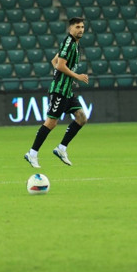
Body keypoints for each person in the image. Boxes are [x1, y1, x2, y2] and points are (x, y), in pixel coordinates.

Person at [24, 17, 89, 168]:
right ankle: (32, 154)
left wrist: (69, 78)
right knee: (51, 123)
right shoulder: (68, 43)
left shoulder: (75, 44)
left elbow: (54, 61)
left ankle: (61, 148)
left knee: (81, 117)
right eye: (77, 27)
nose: (80, 30)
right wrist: (76, 76)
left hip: (67, 91)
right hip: (59, 91)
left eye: (82, 27)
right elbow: (59, 65)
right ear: (70, 29)